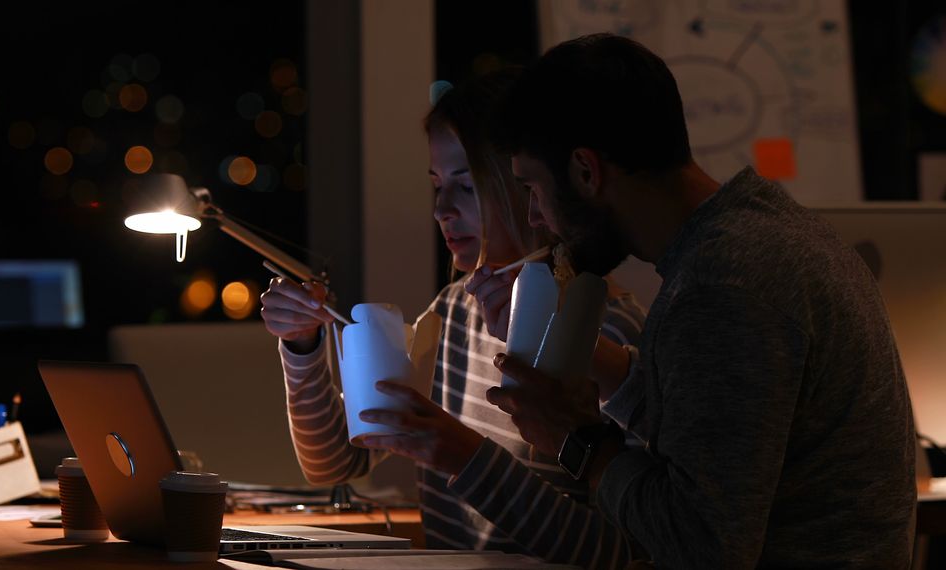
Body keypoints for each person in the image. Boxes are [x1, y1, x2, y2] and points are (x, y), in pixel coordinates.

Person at [466, 33, 916, 567]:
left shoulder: (721, 287)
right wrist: (584, 355)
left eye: (533, 189)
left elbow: (701, 547)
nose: (535, 217)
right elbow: (724, 433)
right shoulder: (763, 234)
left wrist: (575, 439)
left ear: (586, 171)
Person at [259, 69, 647, 566]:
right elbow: (337, 459)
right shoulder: (454, 309)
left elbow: (623, 557)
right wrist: (302, 346)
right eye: (437, 185)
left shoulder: (607, 337)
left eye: (465, 187)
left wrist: (462, 455)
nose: (441, 209)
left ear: (528, 187)